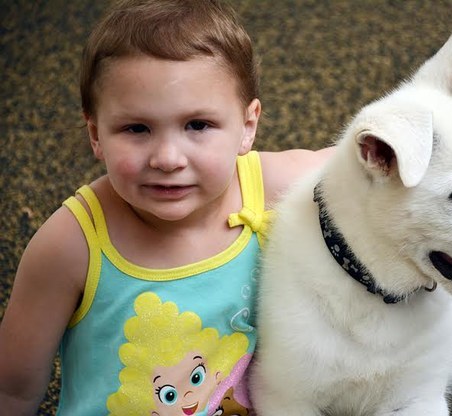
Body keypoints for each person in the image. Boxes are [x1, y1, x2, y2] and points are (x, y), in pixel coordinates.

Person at [0, 0, 331, 414]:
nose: (168, 158)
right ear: (95, 133)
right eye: (137, 128)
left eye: (198, 125)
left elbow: (375, 162)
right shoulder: (70, 245)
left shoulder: (272, 185)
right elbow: (12, 390)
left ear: (248, 126)